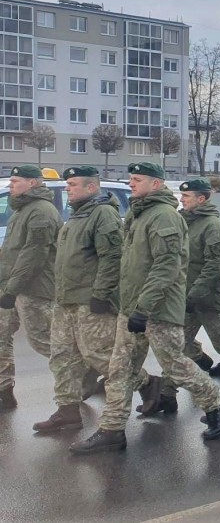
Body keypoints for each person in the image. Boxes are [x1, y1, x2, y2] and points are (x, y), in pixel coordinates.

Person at [70, 162, 220, 455]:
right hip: (130, 308)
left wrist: (143, 309)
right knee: (120, 370)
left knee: (176, 366)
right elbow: (130, 265)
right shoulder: (137, 214)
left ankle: (216, 404)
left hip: (157, 311)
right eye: (130, 178)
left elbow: (166, 267)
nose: (131, 183)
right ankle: (112, 430)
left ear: (156, 184)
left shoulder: (164, 217)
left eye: (138, 179)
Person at [34, 166, 157, 432]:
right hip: (66, 299)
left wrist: (101, 294)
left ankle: (148, 383)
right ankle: (67, 410)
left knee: (99, 355)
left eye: (73, 184)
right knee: (62, 356)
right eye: (67, 184)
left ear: (91, 188)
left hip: (90, 300)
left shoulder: (103, 214)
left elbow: (112, 257)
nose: (68, 188)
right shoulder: (78, 215)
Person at [153, 179, 220, 413]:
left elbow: (215, 266)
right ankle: (167, 395)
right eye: (181, 195)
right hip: (186, 298)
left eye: (186, 196)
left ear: (202, 199)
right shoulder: (183, 222)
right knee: (176, 348)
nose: (181, 199)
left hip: (209, 299)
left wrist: (194, 294)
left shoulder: (212, 226)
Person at [0, 165, 63, 412]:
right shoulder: (22, 210)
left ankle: (84, 373)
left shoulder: (42, 212)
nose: (10, 185)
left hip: (34, 288)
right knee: (1, 335)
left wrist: (12, 289)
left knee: (43, 341)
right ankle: (4, 389)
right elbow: (12, 252)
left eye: (16, 181)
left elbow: (33, 256)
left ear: (33, 183)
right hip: (11, 285)